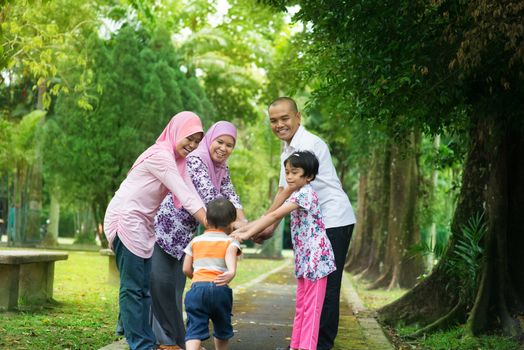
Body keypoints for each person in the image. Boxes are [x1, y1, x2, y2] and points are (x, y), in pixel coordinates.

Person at [103, 111, 207, 350]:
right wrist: (212, 226)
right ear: (176, 132)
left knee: (143, 289)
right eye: (189, 138)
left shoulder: (178, 162)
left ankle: (146, 341)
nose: (192, 145)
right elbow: (184, 195)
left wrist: (216, 225)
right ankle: (140, 344)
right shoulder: (160, 156)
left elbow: (192, 194)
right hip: (126, 220)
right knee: (132, 289)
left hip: (143, 224)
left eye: (197, 142)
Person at [259, 97, 356, 350]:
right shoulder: (288, 148)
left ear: (298, 117)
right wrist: (266, 225)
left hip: (333, 220)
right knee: (309, 290)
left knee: (327, 288)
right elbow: (284, 189)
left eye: (284, 118)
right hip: (314, 226)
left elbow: (287, 193)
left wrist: (264, 225)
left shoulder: (310, 144)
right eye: (273, 120)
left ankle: (321, 345)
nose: (279, 125)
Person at [151, 121, 245, 350]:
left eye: (229, 145)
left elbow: (231, 195)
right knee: (159, 285)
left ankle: (176, 340)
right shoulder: (196, 160)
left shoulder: (221, 168)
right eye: (220, 142)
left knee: (175, 289)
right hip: (166, 229)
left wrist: (245, 223)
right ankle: (163, 340)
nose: (223, 148)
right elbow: (211, 198)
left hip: (187, 235)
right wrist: (237, 229)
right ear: (209, 140)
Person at [233, 151, 336, 350]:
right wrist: (242, 230)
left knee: (311, 309)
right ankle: (296, 346)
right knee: (301, 306)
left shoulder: (305, 194)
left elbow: (273, 217)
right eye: (287, 172)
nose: (289, 176)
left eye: (294, 172)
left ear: (309, 176)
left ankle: (306, 347)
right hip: (304, 258)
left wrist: (245, 235)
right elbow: (269, 216)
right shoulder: (297, 194)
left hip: (317, 258)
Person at [182, 198, 242, 350]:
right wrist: (231, 271)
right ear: (232, 223)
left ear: (207, 221)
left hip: (197, 290)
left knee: (194, 329)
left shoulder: (195, 241)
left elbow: (186, 268)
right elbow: (230, 255)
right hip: (220, 289)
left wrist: (197, 279)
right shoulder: (231, 242)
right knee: (222, 329)